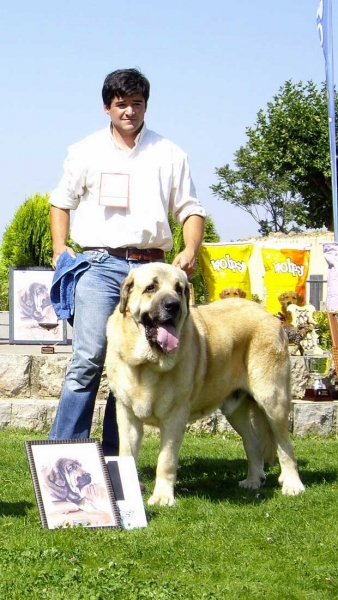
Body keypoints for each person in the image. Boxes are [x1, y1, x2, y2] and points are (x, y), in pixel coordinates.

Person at [48, 68, 206, 455]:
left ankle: (116, 459)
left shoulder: (170, 153)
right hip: (100, 268)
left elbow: (191, 209)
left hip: (154, 272)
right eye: (122, 104)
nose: (130, 111)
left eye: (137, 104)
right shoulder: (85, 150)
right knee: (88, 360)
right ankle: (62, 453)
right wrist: (59, 249)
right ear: (107, 107)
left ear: (145, 106)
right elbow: (60, 202)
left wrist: (190, 250)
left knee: (133, 366)